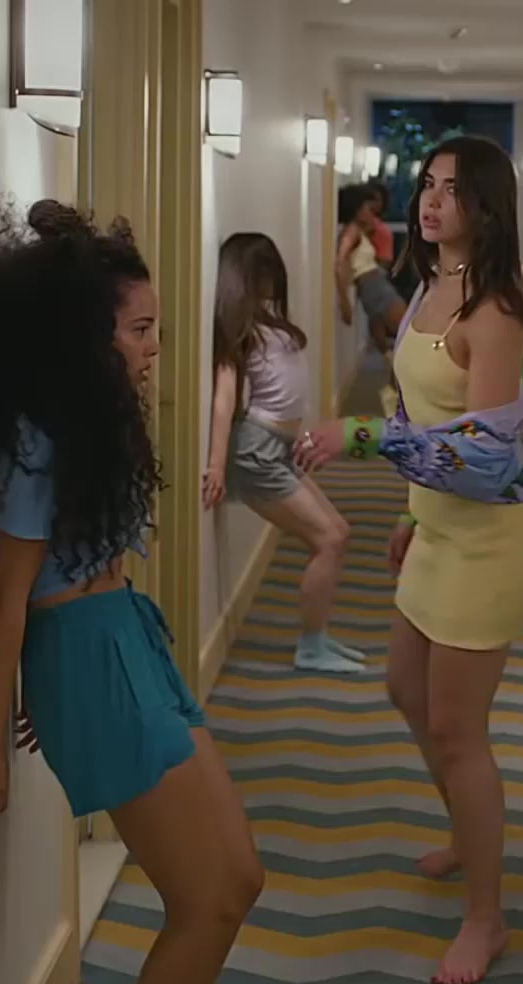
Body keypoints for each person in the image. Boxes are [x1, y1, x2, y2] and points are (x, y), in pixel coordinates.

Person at [0, 199, 263, 984]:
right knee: (205, 899)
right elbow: (9, 599)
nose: (155, 346)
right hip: (87, 660)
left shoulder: (92, 418)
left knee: (238, 880)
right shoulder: (32, 439)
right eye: (140, 329)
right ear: (83, 337)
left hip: (125, 638)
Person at [294, 136, 523, 984]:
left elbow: (484, 456)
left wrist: (360, 436)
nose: (432, 201)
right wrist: (410, 511)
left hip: (490, 537)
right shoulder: (431, 285)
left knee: (456, 730)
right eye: (428, 185)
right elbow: (418, 409)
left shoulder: (495, 312)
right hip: (438, 527)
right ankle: (468, 834)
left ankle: (487, 917)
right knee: (406, 689)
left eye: (453, 189)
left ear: (487, 207)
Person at [201, 232, 364, 674]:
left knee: (338, 533)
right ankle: (311, 646)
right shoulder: (238, 331)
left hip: (278, 447)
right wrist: (216, 464)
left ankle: (319, 638)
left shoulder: (267, 321)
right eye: (263, 272)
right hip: (256, 451)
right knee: (329, 539)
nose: (272, 280)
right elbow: (224, 399)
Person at [336, 183, 408, 339]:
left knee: (403, 328)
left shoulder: (359, 230)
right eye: (368, 209)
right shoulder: (351, 231)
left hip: (375, 284)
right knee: (406, 328)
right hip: (373, 286)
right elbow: (340, 262)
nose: (372, 214)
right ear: (357, 209)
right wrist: (344, 301)